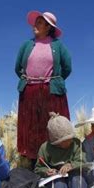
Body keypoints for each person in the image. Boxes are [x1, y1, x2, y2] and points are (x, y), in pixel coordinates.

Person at [15, 10, 72, 170]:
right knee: (31, 126)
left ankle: (56, 160)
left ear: (48, 27)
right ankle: (33, 163)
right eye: (36, 22)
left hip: (51, 91)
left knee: (53, 124)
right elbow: (18, 67)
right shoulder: (27, 45)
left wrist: (54, 81)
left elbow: (67, 67)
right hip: (30, 90)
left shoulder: (58, 46)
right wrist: (30, 80)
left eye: (40, 23)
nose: (35, 25)